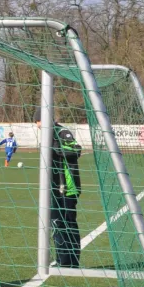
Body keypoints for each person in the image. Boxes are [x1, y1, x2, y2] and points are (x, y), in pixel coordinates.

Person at [34, 108, 82, 268]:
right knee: (56, 224)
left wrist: (54, 149)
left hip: (68, 188)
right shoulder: (48, 135)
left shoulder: (62, 132)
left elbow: (76, 149)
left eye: (38, 122)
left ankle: (73, 262)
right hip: (53, 189)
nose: (38, 126)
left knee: (69, 224)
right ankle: (62, 260)